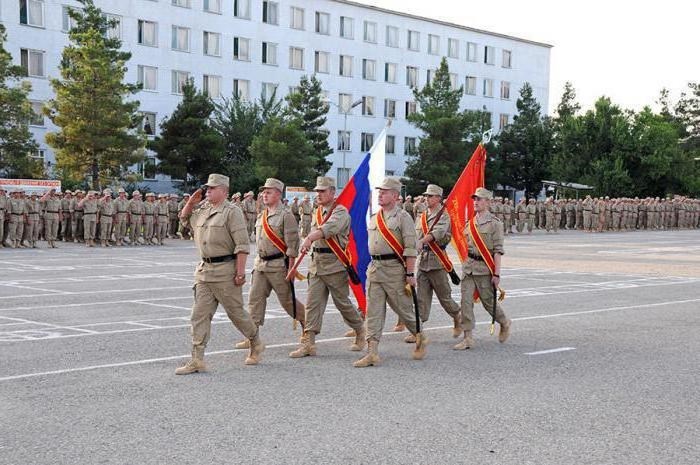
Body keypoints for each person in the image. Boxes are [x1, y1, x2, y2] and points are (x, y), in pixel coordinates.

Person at [175, 173, 264, 374]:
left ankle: (255, 341)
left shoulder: (232, 212)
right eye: (207, 188)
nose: (207, 191)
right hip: (204, 271)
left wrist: (240, 273)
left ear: (224, 191)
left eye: (212, 188)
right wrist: (190, 203)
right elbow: (184, 221)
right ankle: (197, 359)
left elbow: (242, 245)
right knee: (199, 315)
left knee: (237, 314)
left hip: (225, 271)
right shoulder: (203, 210)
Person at [354, 177, 427, 368]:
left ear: (395, 196)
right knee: (373, 311)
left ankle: (419, 333)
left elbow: (410, 248)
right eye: (379, 191)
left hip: (395, 269)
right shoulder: (374, 217)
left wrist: (410, 274)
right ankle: (372, 352)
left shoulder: (403, 218)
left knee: (403, 309)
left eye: (384, 192)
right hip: (375, 269)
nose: (380, 194)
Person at [289, 176, 366, 358]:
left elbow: (329, 229)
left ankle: (360, 329)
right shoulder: (317, 212)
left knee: (342, 304)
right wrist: (307, 241)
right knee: (313, 305)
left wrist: (309, 238)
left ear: (333, 193)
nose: (319, 194)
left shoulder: (341, 212)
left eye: (322, 191)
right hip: (316, 265)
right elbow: (312, 232)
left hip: (335, 265)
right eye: (317, 191)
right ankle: (309, 343)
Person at [235, 178, 306, 349]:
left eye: (268, 192)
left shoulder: (286, 215)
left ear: (278, 194)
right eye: (263, 192)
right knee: (255, 300)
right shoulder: (263, 215)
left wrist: (291, 268)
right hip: (260, 265)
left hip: (278, 265)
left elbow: (292, 246)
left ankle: (308, 326)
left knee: (288, 302)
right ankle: (252, 336)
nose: (264, 195)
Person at [456, 187, 511, 350]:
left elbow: (498, 250)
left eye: (479, 199)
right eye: (475, 199)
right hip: (469, 267)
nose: (476, 202)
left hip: (484, 268)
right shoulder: (471, 222)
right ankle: (468, 337)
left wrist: (496, 273)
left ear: (488, 202)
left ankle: (504, 322)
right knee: (465, 302)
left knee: (488, 302)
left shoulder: (495, 224)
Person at [410, 183, 461, 342]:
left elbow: (437, 233)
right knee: (421, 298)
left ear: (439, 198)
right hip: (423, 261)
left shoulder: (444, 215)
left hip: (437, 261)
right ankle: (418, 330)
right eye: (425, 195)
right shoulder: (422, 215)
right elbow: (415, 234)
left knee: (444, 298)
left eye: (430, 196)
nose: (426, 198)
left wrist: (421, 242)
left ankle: (457, 316)